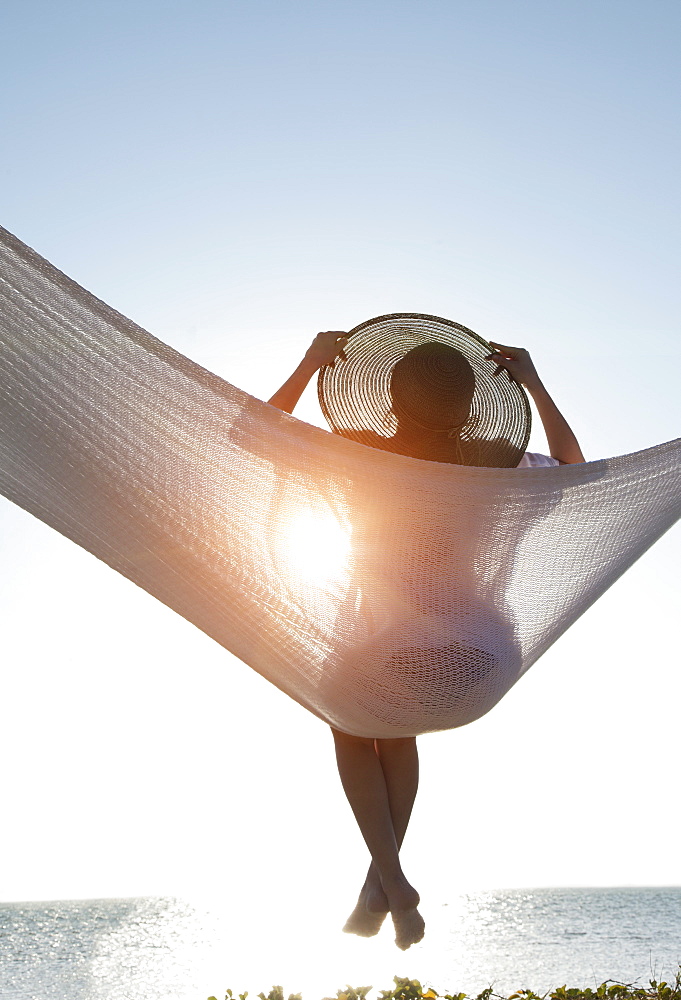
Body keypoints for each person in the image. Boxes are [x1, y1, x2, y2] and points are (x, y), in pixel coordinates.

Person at [268, 330, 584, 950]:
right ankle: (377, 889)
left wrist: (309, 362)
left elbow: (251, 433)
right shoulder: (498, 464)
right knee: (396, 728)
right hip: (481, 657)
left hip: (391, 649)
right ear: (471, 404)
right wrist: (534, 384)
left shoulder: (355, 454)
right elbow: (576, 471)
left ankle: (391, 879)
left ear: (389, 395)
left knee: (351, 721)